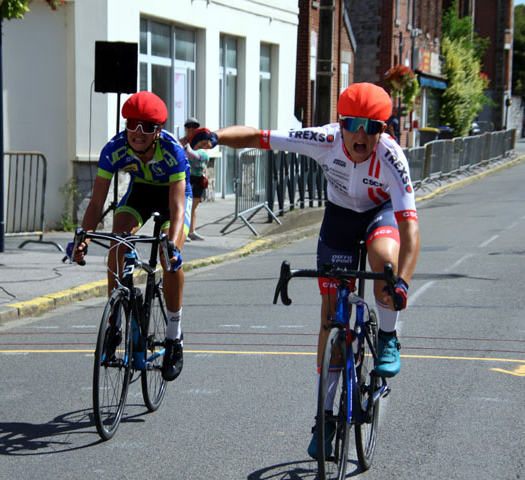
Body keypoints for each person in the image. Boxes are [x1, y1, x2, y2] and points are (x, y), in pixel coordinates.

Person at [191, 82, 420, 457]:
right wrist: (215, 135)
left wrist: (403, 284)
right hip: (340, 217)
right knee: (330, 320)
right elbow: (260, 137)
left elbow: (410, 228)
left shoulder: (392, 158)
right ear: (340, 123)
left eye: (373, 127)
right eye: (354, 124)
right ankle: (325, 418)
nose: (362, 134)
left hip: (381, 214)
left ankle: (387, 337)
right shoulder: (323, 139)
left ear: (383, 129)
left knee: (385, 262)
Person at [69, 91, 192, 381]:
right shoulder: (114, 148)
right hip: (141, 193)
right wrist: (83, 238)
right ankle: (115, 323)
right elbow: (97, 204)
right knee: (117, 240)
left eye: (147, 127)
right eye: (133, 124)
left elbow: (176, 208)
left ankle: (174, 338)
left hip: (172, 196)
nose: (138, 132)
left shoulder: (174, 151)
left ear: (158, 131)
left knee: (168, 257)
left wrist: (172, 247)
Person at [179, 117, 210, 241]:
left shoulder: (200, 142)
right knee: (184, 205)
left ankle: (191, 230)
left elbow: (204, 157)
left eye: (194, 127)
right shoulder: (181, 143)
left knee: (194, 206)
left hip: (199, 177)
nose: (191, 129)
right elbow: (196, 157)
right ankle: (182, 231)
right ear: (185, 129)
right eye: (188, 127)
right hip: (186, 176)